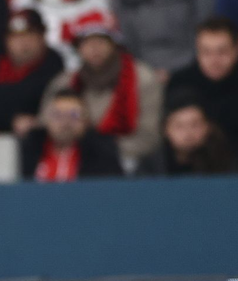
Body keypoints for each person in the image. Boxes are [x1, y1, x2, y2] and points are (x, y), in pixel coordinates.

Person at [42, 12, 163, 170]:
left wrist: (100, 150)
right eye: (87, 43)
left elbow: (149, 137)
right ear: (77, 48)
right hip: (73, 161)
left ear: (114, 44)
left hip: (128, 161)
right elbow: (45, 126)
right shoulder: (64, 83)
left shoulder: (142, 78)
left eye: (101, 41)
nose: (94, 48)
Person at [164, 17, 238, 157]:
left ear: (237, 51)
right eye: (206, 52)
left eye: (222, 52)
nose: (214, 60)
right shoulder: (179, 82)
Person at [0, 9, 65, 135]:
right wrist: (10, 119)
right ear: (6, 40)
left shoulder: (55, 69)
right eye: (16, 36)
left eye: (30, 34)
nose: (23, 42)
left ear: (42, 37)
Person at [22, 89, 124, 181]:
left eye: (74, 115)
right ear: (46, 119)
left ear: (86, 120)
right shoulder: (26, 151)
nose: (66, 121)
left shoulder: (102, 155)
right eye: (58, 115)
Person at [139, 94, 236, 176]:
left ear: (208, 127)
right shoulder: (151, 165)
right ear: (165, 129)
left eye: (195, 125)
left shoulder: (222, 160)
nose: (188, 132)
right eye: (179, 126)